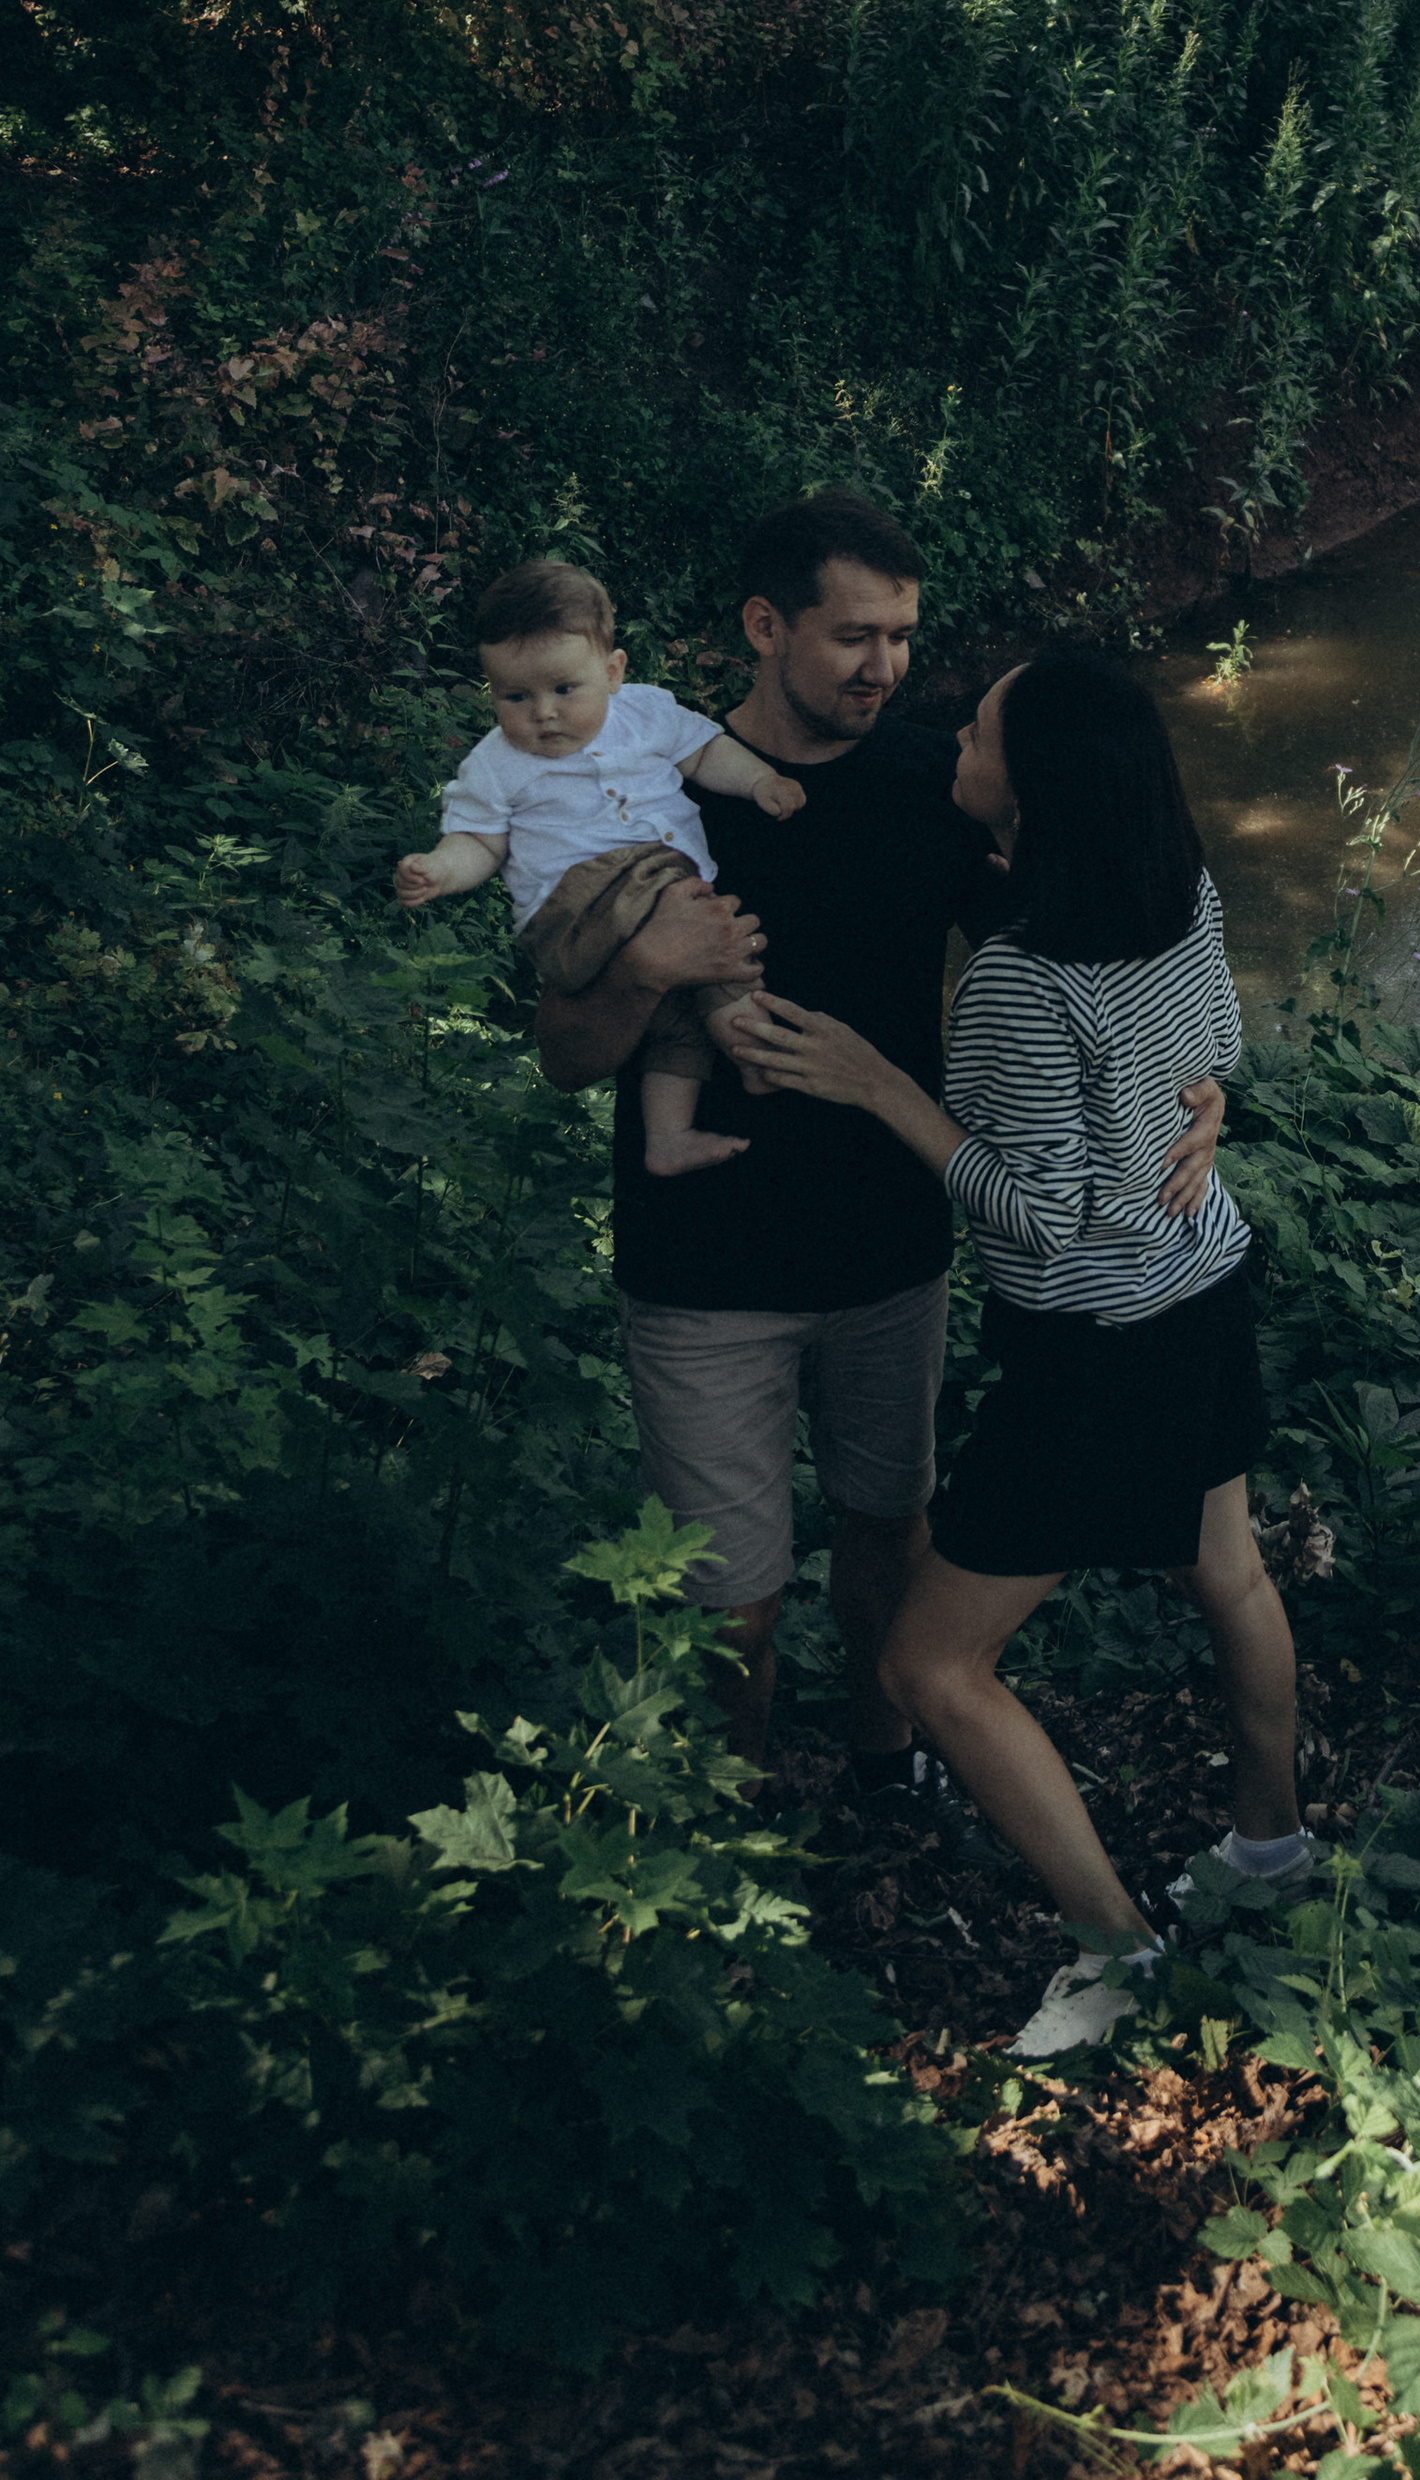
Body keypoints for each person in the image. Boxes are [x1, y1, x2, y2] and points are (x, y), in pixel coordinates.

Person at [529, 491, 1226, 1824]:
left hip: (893, 1250)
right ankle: (734, 1855)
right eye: (855, 635)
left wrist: (1199, 1092)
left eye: (903, 637)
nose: (885, 668)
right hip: (703, 1270)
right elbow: (565, 1052)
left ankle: (884, 1769)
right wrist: (649, 975)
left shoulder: (929, 783)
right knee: (729, 1612)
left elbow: (1106, 940)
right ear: (764, 624)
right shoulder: (647, 800)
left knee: (884, 1536)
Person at [729, 644, 1308, 2055]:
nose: (954, 738)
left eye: (978, 728)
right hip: (1205, 1284)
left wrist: (885, 1087)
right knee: (1223, 1564)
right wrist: (1201, 1105)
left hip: (1095, 1352)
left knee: (934, 1669)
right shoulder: (1182, 891)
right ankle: (1268, 1849)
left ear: (1033, 786)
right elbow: (1215, 1040)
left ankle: (1120, 1954)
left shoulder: (1017, 979)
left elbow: (1040, 1218)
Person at [394, 555, 802, 1180]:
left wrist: (760, 782)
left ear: (612, 672)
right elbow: (481, 843)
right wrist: (442, 870)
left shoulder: (647, 713)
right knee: (700, 920)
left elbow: (705, 753)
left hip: (628, 922)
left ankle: (668, 1137)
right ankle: (755, 1050)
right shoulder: (497, 763)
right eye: (515, 696)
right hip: (579, 909)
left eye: (563, 689)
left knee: (677, 1020)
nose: (543, 713)